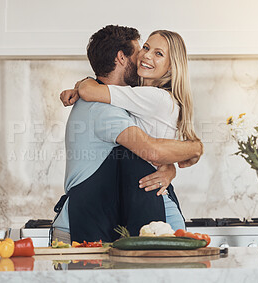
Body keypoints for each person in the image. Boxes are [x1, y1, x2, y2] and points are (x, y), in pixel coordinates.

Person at [52, 25, 203, 244]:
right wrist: (193, 149)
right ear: (122, 58)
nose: (144, 56)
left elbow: (152, 151)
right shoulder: (104, 109)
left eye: (156, 53)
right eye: (141, 49)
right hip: (81, 225)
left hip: (152, 216)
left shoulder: (137, 101)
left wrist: (173, 164)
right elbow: (151, 150)